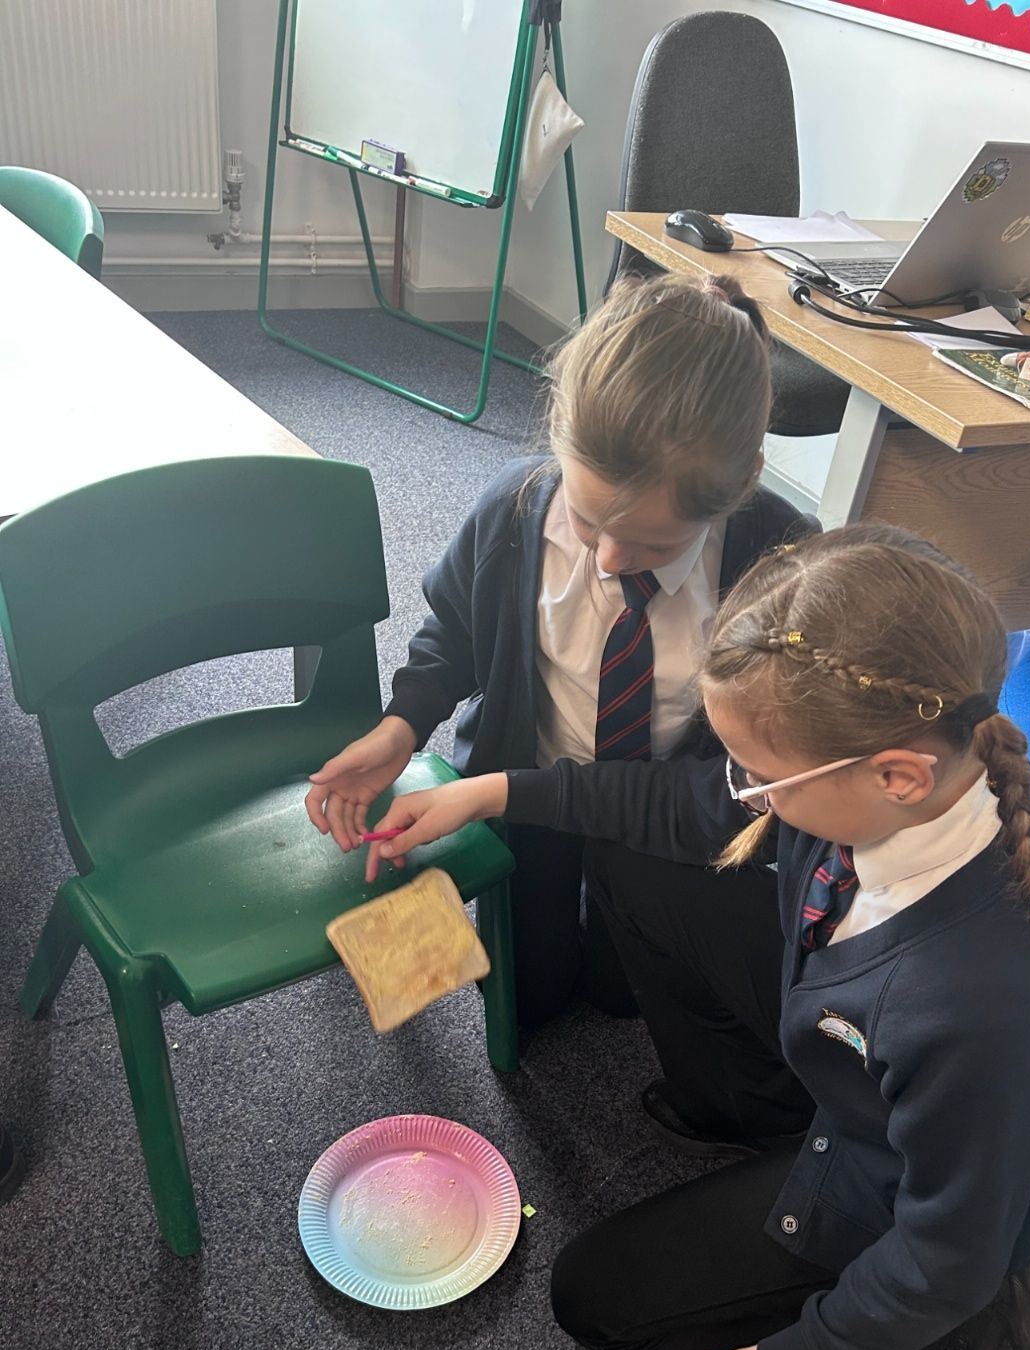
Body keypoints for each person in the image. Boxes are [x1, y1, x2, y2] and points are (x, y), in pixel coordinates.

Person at [365, 526, 1030, 1350]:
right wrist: (490, 792)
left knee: (593, 1299)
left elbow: (946, 1253)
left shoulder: (983, 1013)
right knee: (631, 860)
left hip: (910, 1194)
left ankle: (973, 1319)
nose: (745, 794)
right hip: (867, 1061)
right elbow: (687, 804)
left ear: (898, 776)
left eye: (766, 780)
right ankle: (757, 1114)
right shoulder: (911, 777)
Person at [307, 271, 818, 1145]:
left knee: (620, 997)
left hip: (659, 817)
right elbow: (454, 632)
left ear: (740, 487)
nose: (610, 560)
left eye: (653, 543)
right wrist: (402, 726)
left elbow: (737, 791)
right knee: (526, 996)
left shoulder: (780, 565)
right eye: (587, 523)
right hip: (526, 788)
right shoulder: (514, 510)